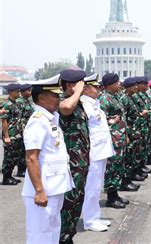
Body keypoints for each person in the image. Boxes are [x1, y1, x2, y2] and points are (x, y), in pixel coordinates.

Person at [21, 75, 74, 244]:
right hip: (43, 189)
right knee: (40, 235)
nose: (59, 99)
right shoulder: (37, 122)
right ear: (42, 98)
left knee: (52, 231)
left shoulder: (50, 119)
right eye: (55, 95)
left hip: (55, 186)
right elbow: (31, 157)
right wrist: (39, 190)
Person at [58, 69, 89, 244]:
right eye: (80, 83)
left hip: (81, 161)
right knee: (68, 202)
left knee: (77, 200)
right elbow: (66, 108)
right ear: (71, 85)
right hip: (70, 162)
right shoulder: (63, 101)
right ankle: (62, 236)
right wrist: (77, 91)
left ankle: (69, 235)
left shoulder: (78, 103)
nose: (84, 87)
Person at [81, 74, 115, 232]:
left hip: (101, 151)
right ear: (86, 89)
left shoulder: (94, 103)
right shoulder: (84, 104)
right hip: (93, 153)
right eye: (95, 86)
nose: (99, 89)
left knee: (97, 187)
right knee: (91, 188)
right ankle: (89, 220)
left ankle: (95, 216)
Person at [99, 73, 132, 203]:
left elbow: (121, 119)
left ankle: (115, 194)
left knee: (118, 167)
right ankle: (111, 197)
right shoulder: (104, 99)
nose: (119, 84)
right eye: (117, 83)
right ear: (109, 85)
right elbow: (101, 120)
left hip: (119, 138)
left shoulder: (114, 97)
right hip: (112, 140)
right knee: (111, 169)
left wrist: (125, 136)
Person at [1, 83, 23, 185]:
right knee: (9, 156)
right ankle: (6, 177)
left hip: (17, 134)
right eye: (17, 91)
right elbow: (4, 121)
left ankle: (10, 176)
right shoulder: (7, 105)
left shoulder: (17, 103)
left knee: (15, 156)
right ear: (10, 92)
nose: (19, 93)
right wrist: (6, 136)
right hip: (10, 134)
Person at [17, 83, 35, 178]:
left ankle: (23, 168)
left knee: (25, 149)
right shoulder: (20, 102)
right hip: (23, 128)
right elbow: (18, 118)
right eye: (28, 90)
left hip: (28, 127)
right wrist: (20, 130)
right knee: (22, 150)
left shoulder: (27, 101)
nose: (30, 92)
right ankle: (20, 170)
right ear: (23, 92)